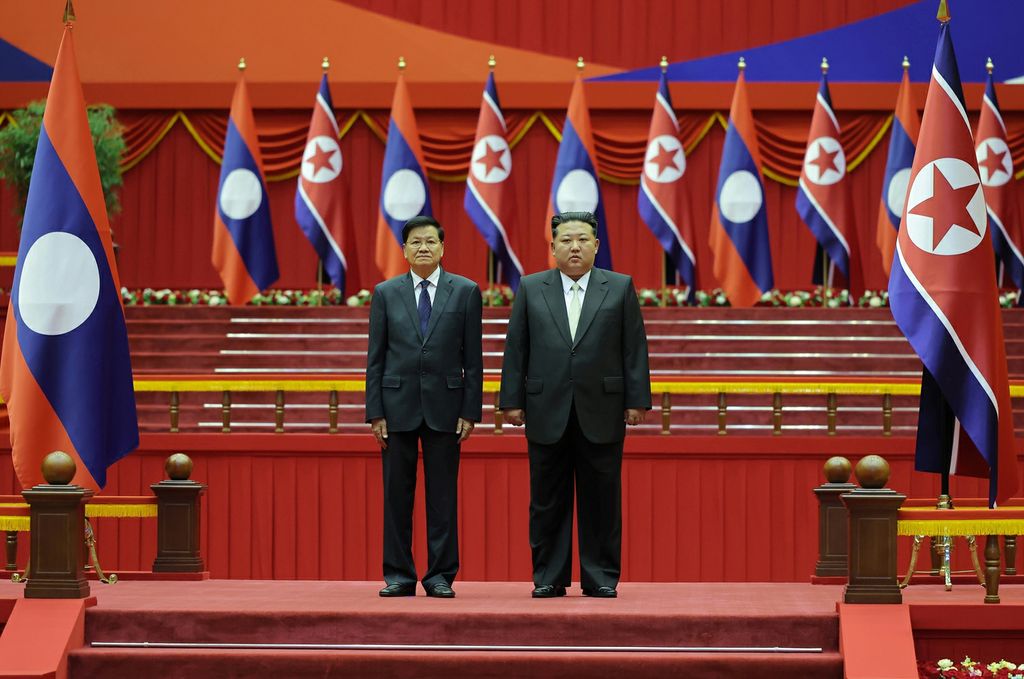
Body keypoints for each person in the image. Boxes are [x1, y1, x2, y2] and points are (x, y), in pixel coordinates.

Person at [500, 211, 651, 599]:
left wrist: (637, 400)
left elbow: (633, 348)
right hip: (544, 407)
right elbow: (517, 347)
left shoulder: (618, 287)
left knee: (602, 498)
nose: (574, 247)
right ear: (552, 246)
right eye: (566, 240)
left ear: (596, 246)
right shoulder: (531, 287)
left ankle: (600, 576)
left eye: (582, 239)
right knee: (546, 499)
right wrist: (511, 401)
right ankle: (548, 576)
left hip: (602, 406)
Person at [365, 215, 483, 598]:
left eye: (431, 241)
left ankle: (439, 575)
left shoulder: (465, 291)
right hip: (396, 407)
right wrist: (375, 411)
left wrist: (470, 411)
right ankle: (398, 574)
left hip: (446, 407)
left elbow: (474, 359)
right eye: (415, 242)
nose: (423, 248)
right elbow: (375, 358)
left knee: (443, 497)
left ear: (443, 247)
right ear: (404, 250)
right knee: (396, 495)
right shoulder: (385, 292)